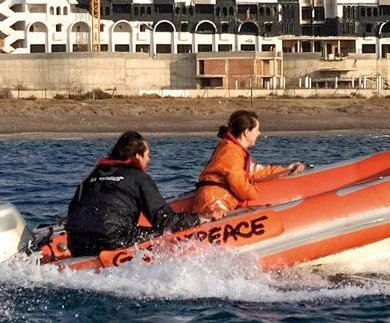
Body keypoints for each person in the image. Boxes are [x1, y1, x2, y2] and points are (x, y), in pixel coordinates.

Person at [65, 130, 204, 257]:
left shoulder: (90, 175)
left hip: (77, 245)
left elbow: (72, 211)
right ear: (137, 156)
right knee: (165, 234)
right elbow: (164, 219)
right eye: (147, 155)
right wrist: (197, 220)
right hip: (113, 240)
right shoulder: (138, 177)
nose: (149, 160)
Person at [193, 110, 304, 219]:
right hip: (214, 200)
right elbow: (237, 180)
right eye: (257, 130)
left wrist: (285, 170)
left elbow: (254, 171)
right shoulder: (232, 151)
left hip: (214, 197)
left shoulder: (233, 149)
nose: (259, 133)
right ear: (246, 132)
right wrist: (253, 193)